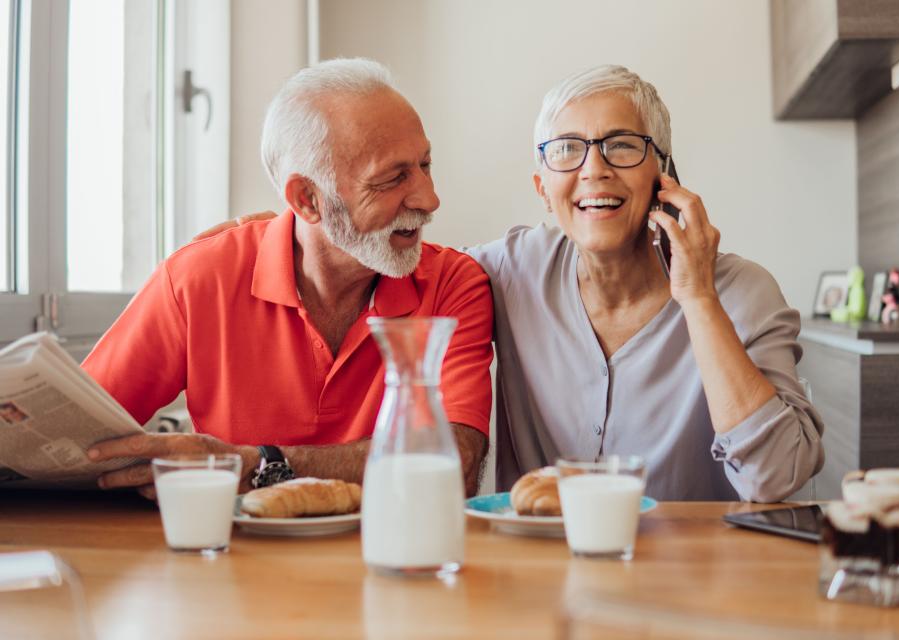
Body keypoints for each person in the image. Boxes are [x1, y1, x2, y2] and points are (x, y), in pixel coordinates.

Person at [200, 64, 825, 502]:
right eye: (568, 150)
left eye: (623, 147)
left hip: (696, 580)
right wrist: (293, 227)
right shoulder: (503, 271)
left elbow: (776, 478)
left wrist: (698, 298)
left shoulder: (743, 294)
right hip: (537, 579)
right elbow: (387, 244)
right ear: (542, 190)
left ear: (665, 174)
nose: (594, 169)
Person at [81, 59, 494, 498]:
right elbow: (73, 443)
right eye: (392, 178)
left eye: (425, 164)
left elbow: (454, 464)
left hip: (397, 555)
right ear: (308, 199)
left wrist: (261, 464)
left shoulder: (453, 283)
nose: (429, 199)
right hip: (231, 559)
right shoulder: (198, 278)